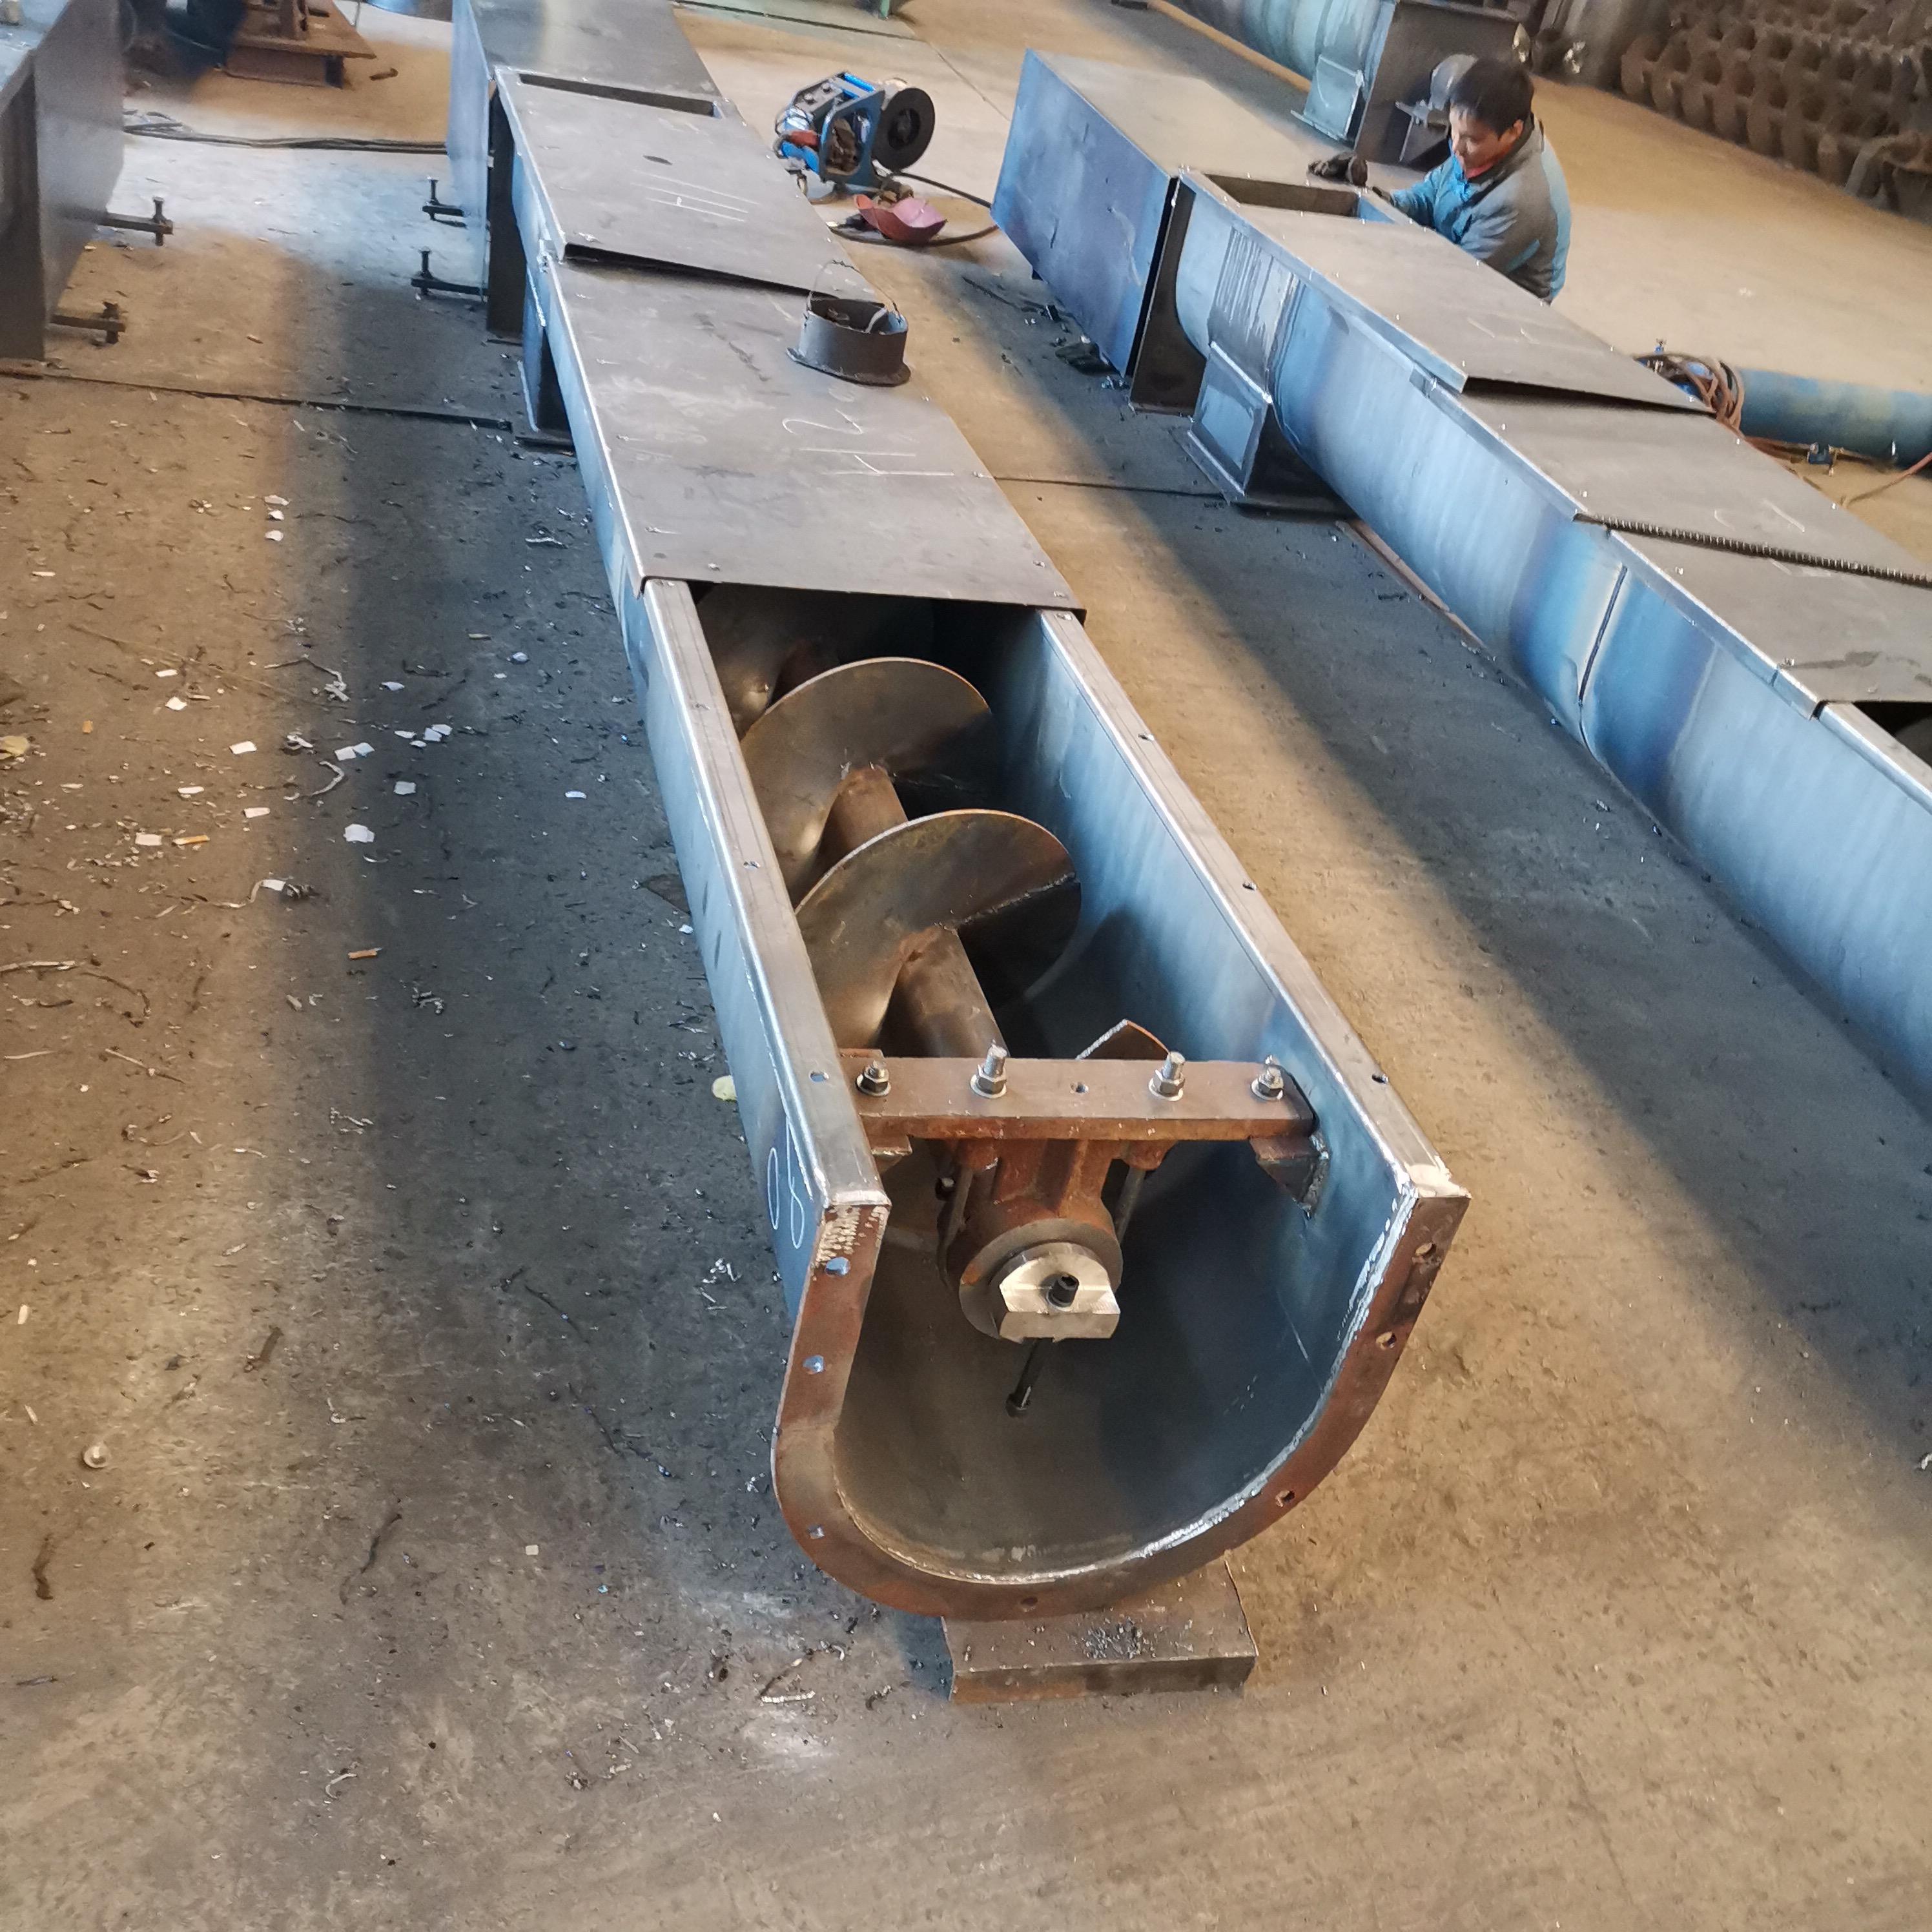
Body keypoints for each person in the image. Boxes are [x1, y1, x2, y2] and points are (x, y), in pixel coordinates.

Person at [1388, 58, 1571, 302]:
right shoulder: (1480, 144)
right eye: (1454, 130)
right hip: (1463, 256)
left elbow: (1457, 277)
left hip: (1509, 300)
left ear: (1513, 131)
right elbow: (1430, 195)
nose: (1456, 147)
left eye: (1472, 140)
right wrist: (1383, 201)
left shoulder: (1521, 198)